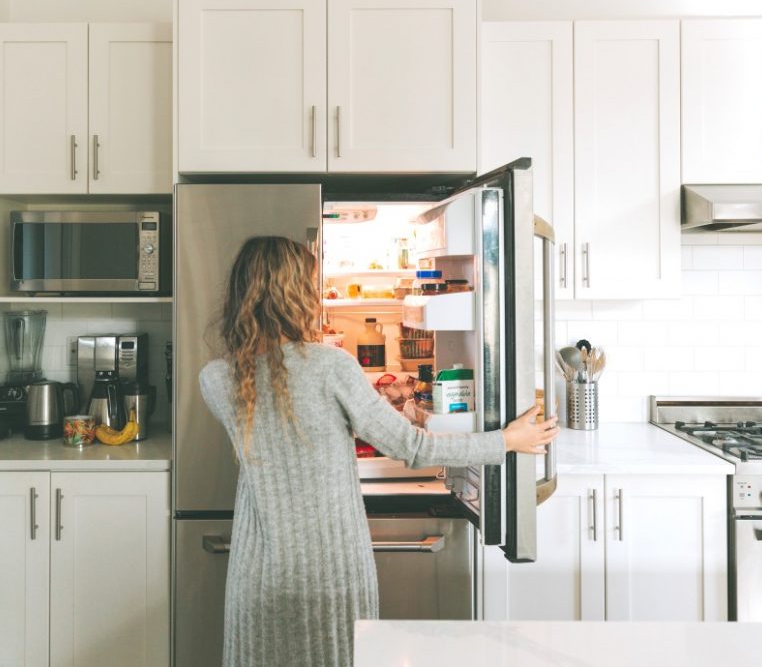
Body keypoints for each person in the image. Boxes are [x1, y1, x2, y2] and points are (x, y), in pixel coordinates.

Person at [199, 236, 559, 667]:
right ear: (296, 296)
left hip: (257, 579)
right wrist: (506, 441)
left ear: (242, 296)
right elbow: (412, 446)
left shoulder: (216, 380)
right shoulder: (331, 367)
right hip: (332, 572)